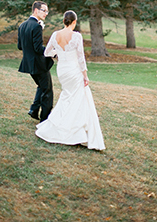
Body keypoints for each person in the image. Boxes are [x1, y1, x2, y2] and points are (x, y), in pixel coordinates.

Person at [36, 10, 105, 150]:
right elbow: (80, 57)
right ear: (74, 22)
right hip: (73, 71)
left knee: (67, 95)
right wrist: (85, 75)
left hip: (62, 70)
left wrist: (59, 53)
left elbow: (47, 52)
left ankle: (62, 124)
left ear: (63, 21)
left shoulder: (56, 35)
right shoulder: (76, 36)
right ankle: (73, 130)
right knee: (77, 97)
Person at [17, 1, 55, 122]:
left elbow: (20, 46)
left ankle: (34, 110)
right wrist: (53, 52)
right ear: (36, 10)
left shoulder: (22, 25)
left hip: (28, 64)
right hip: (39, 65)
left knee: (41, 86)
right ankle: (45, 119)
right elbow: (39, 48)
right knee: (47, 90)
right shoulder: (36, 26)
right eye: (44, 10)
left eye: (47, 11)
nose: (46, 13)